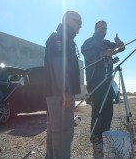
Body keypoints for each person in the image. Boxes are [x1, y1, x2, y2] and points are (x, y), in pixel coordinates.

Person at [81, 20, 125, 156]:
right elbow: (89, 55)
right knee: (97, 110)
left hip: (107, 82)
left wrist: (118, 42)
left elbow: (122, 48)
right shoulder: (89, 42)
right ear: (96, 28)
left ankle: (105, 135)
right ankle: (95, 139)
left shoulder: (106, 42)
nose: (104, 30)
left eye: (105, 28)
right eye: (101, 27)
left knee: (108, 110)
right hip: (95, 81)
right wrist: (103, 53)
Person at [44, 10, 82, 159]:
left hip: (59, 92)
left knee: (54, 131)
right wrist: (65, 90)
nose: (80, 27)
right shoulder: (59, 37)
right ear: (69, 20)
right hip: (60, 93)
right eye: (79, 23)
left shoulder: (66, 39)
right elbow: (58, 64)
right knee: (64, 132)